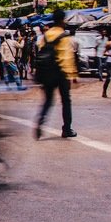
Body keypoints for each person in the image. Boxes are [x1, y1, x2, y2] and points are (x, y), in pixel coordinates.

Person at [35, 9, 78, 139]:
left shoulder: (47, 34)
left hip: (47, 71)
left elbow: (40, 49)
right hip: (60, 72)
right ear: (62, 20)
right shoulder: (64, 36)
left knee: (48, 100)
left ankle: (40, 123)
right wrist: (72, 75)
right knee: (66, 101)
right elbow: (66, 57)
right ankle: (67, 129)